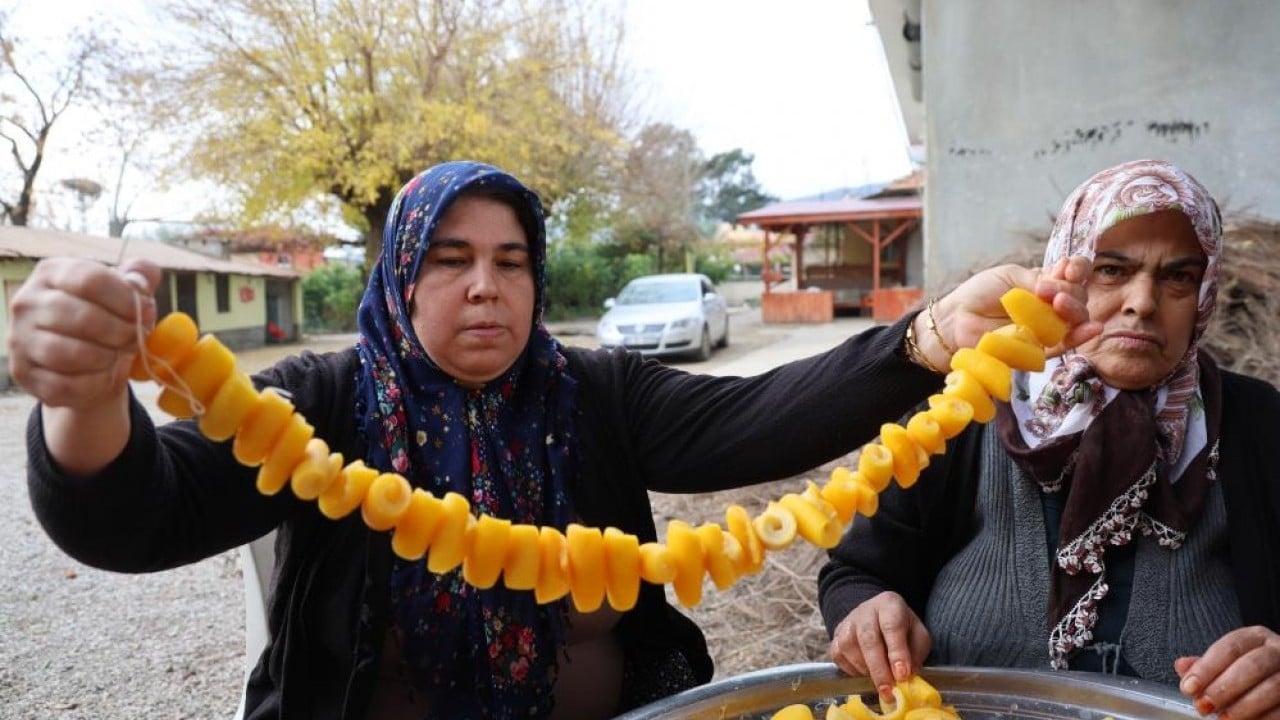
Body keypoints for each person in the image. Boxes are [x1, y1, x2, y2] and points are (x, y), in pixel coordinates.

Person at [14, 161, 1094, 720]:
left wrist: (922, 339)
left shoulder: (598, 393)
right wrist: (83, 400)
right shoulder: (317, 401)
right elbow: (141, 518)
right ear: (394, 276)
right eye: (446, 258)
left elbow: (762, 417)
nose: (485, 285)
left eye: (511, 258)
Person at [820, 159, 1280, 720]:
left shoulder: (1258, 425)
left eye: (1178, 277)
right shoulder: (966, 406)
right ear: (1064, 273)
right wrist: (866, 609)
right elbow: (858, 570)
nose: (1142, 301)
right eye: (1111, 270)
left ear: (1204, 293)